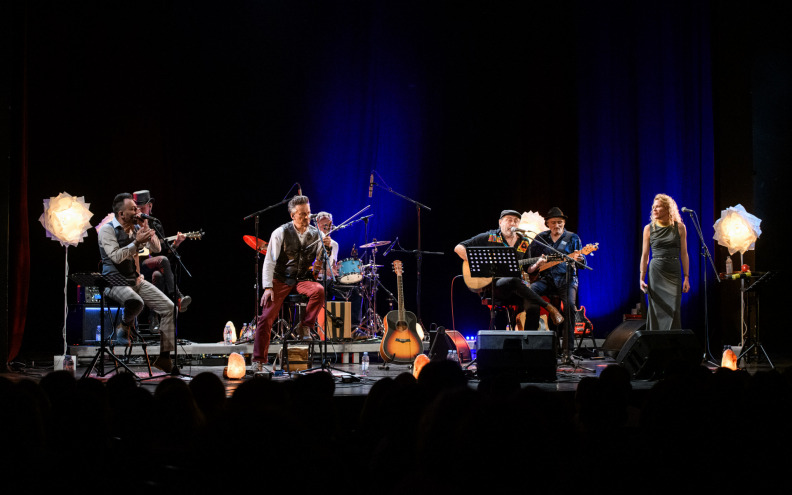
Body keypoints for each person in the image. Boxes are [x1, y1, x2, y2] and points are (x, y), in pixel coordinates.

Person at [97, 193, 176, 373]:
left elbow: (156, 248)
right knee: (136, 302)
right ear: (121, 214)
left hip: (134, 280)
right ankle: (125, 325)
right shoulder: (107, 230)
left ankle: (164, 357)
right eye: (133, 209)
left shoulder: (135, 228)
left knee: (169, 308)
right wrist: (136, 243)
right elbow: (116, 257)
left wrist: (146, 228)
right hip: (113, 282)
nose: (137, 212)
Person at [252, 195, 332, 371]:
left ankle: (305, 326)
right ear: (293, 215)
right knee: (266, 318)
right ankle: (258, 360)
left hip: (302, 279)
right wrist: (268, 287)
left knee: (319, 290)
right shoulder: (280, 232)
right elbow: (269, 262)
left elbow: (324, 263)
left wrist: (327, 247)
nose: (307, 217)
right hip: (281, 279)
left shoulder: (317, 234)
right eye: (302, 214)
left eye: (308, 213)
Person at [454, 209, 564, 328]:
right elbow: (459, 248)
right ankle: (549, 307)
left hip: (516, 287)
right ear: (500, 222)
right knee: (514, 280)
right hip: (494, 286)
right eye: (509, 220)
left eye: (516, 221)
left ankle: (529, 339)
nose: (512, 223)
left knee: (533, 305)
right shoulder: (490, 237)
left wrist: (537, 264)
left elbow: (528, 269)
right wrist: (480, 262)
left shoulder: (523, 242)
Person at [524, 207, 587, 351]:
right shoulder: (540, 238)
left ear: (564, 223)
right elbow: (528, 265)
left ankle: (567, 350)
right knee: (530, 292)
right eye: (553, 222)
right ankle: (529, 344)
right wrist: (537, 264)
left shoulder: (573, 238)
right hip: (546, 280)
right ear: (547, 224)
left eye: (559, 222)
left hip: (567, 280)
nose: (556, 225)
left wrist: (580, 259)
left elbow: (582, 264)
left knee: (570, 306)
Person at [639, 193, 690, 330]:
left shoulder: (680, 227)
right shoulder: (648, 228)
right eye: (653, 207)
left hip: (673, 272)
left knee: (673, 310)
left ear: (668, 209)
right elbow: (645, 255)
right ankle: (655, 341)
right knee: (657, 311)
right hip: (656, 273)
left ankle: (672, 342)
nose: (654, 209)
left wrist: (686, 277)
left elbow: (684, 253)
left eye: (658, 207)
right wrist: (641, 278)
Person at [314, 211, 363, 330]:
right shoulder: (312, 242)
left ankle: (353, 328)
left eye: (329, 225)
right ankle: (317, 328)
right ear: (316, 225)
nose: (327, 227)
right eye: (323, 224)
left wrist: (336, 269)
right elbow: (308, 267)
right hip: (316, 280)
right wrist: (323, 271)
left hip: (330, 282)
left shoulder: (334, 244)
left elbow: (333, 265)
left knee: (356, 291)